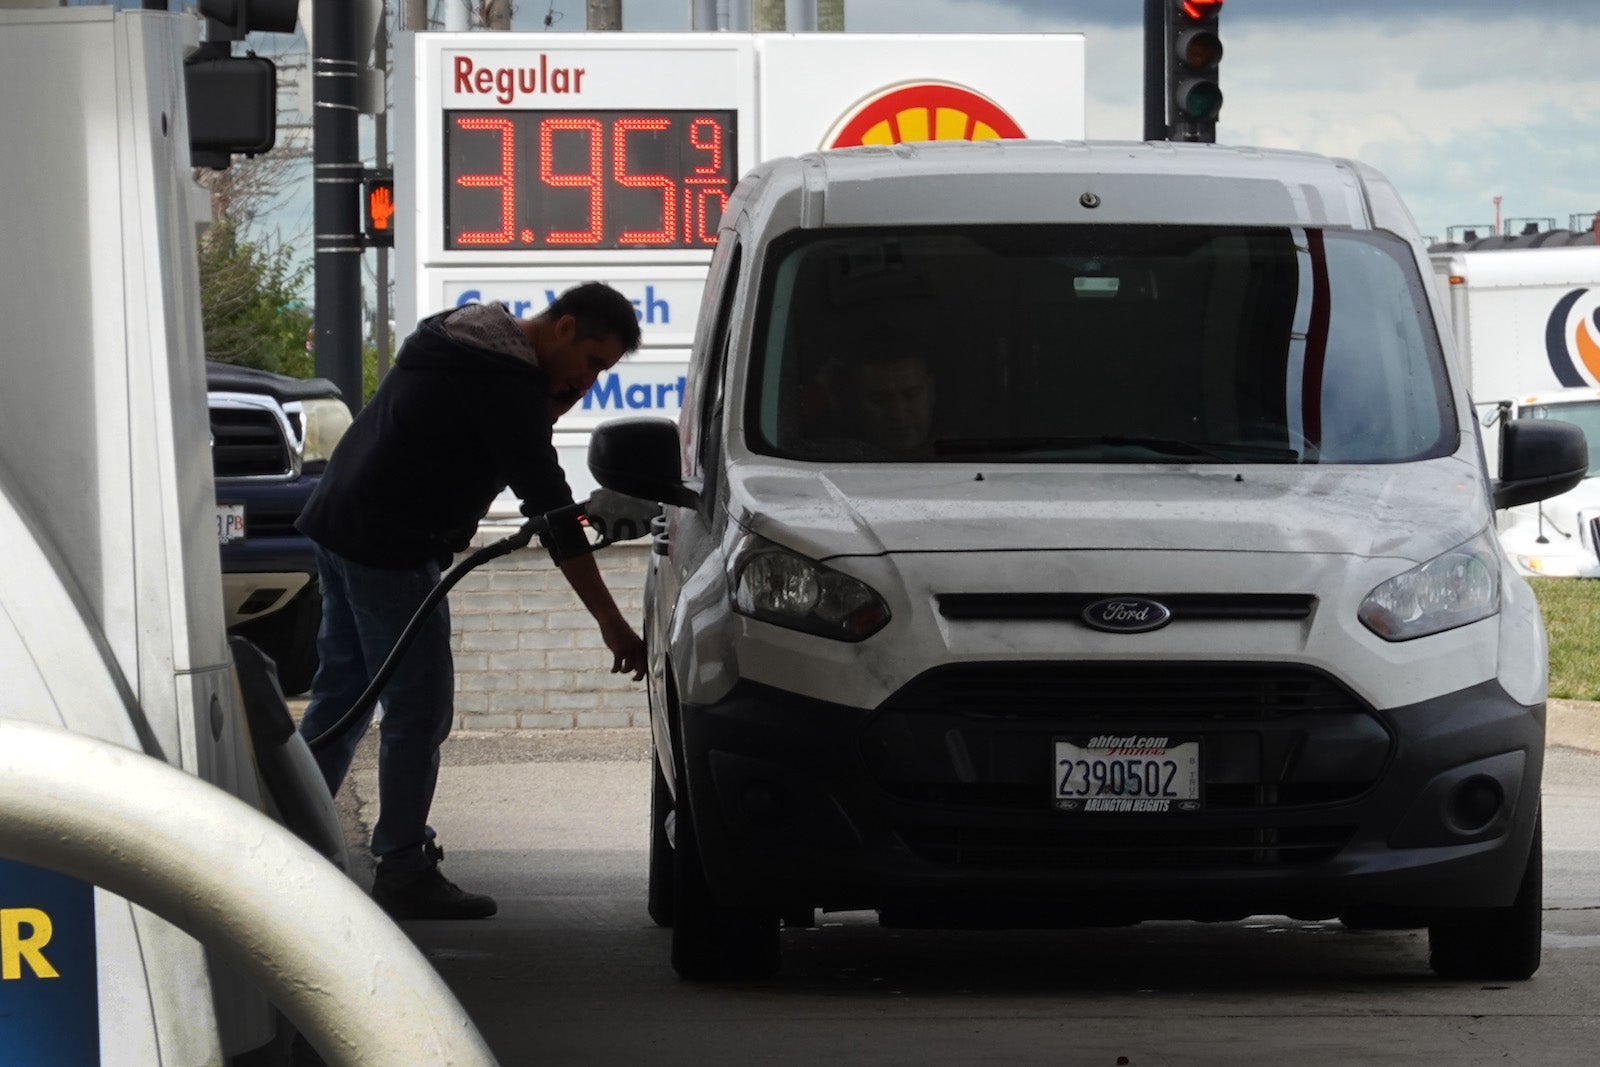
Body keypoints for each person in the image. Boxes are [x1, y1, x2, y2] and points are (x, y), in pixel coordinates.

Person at [294, 282, 647, 921]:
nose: (592, 381)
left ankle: (286, 843)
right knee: (418, 708)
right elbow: (551, 506)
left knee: (344, 694)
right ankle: (402, 865)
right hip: (388, 543)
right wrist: (613, 624)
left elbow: (511, 446)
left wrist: (553, 397)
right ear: (564, 329)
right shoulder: (505, 379)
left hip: (341, 521)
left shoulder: (463, 340)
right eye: (594, 362)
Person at [816, 347, 939, 458]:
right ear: (852, 399)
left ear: (932, 390)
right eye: (880, 400)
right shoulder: (829, 457)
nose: (899, 414)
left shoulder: (955, 457)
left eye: (911, 395)